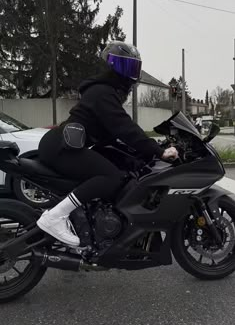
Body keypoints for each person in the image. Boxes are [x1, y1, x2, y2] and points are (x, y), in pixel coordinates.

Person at [37, 41, 178, 246]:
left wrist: (147, 148)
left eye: (134, 67)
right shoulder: (102, 93)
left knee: (115, 170)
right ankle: (55, 217)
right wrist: (158, 151)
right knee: (110, 177)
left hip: (64, 146)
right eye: (127, 66)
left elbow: (115, 133)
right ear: (112, 66)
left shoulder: (105, 92)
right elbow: (124, 127)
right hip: (61, 148)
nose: (131, 73)